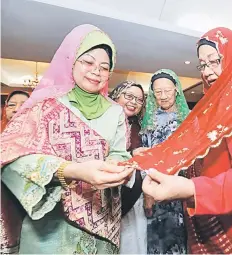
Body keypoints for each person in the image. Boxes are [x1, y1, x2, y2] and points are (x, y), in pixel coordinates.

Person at [123, 28, 232, 253]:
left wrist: (190, 188)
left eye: (215, 61)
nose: (207, 71)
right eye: (203, 64)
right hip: (209, 214)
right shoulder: (217, 105)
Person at [0, 24, 135, 254]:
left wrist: (116, 165)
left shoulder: (116, 112)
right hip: (48, 222)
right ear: (72, 60)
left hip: (101, 223)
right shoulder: (44, 107)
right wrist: (69, 170)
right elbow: (9, 157)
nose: (96, 71)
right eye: (88, 62)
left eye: (105, 67)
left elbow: (119, 152)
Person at [138, 69, 190, 254]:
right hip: (156, 188)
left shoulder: (190, 118)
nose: (163, 96)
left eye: (167, 91)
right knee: (158, 239)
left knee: (185, 237)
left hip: (185, 188)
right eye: (158, 92)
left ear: (176, 89)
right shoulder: (149, 121)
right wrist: (148, 196)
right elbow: (145, 159)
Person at [109, 81, 147, 254]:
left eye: (139, 100)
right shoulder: (103, 123)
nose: (133, 102)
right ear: (116, 95)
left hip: (135, 195)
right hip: (108, 193)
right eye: (129, 96)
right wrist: (131, 155)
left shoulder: (140, 128)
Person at [0, 91, 30, 254]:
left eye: (23, 105)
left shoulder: (40, 141)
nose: (16, 109)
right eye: (11, 105)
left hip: (20, 210)